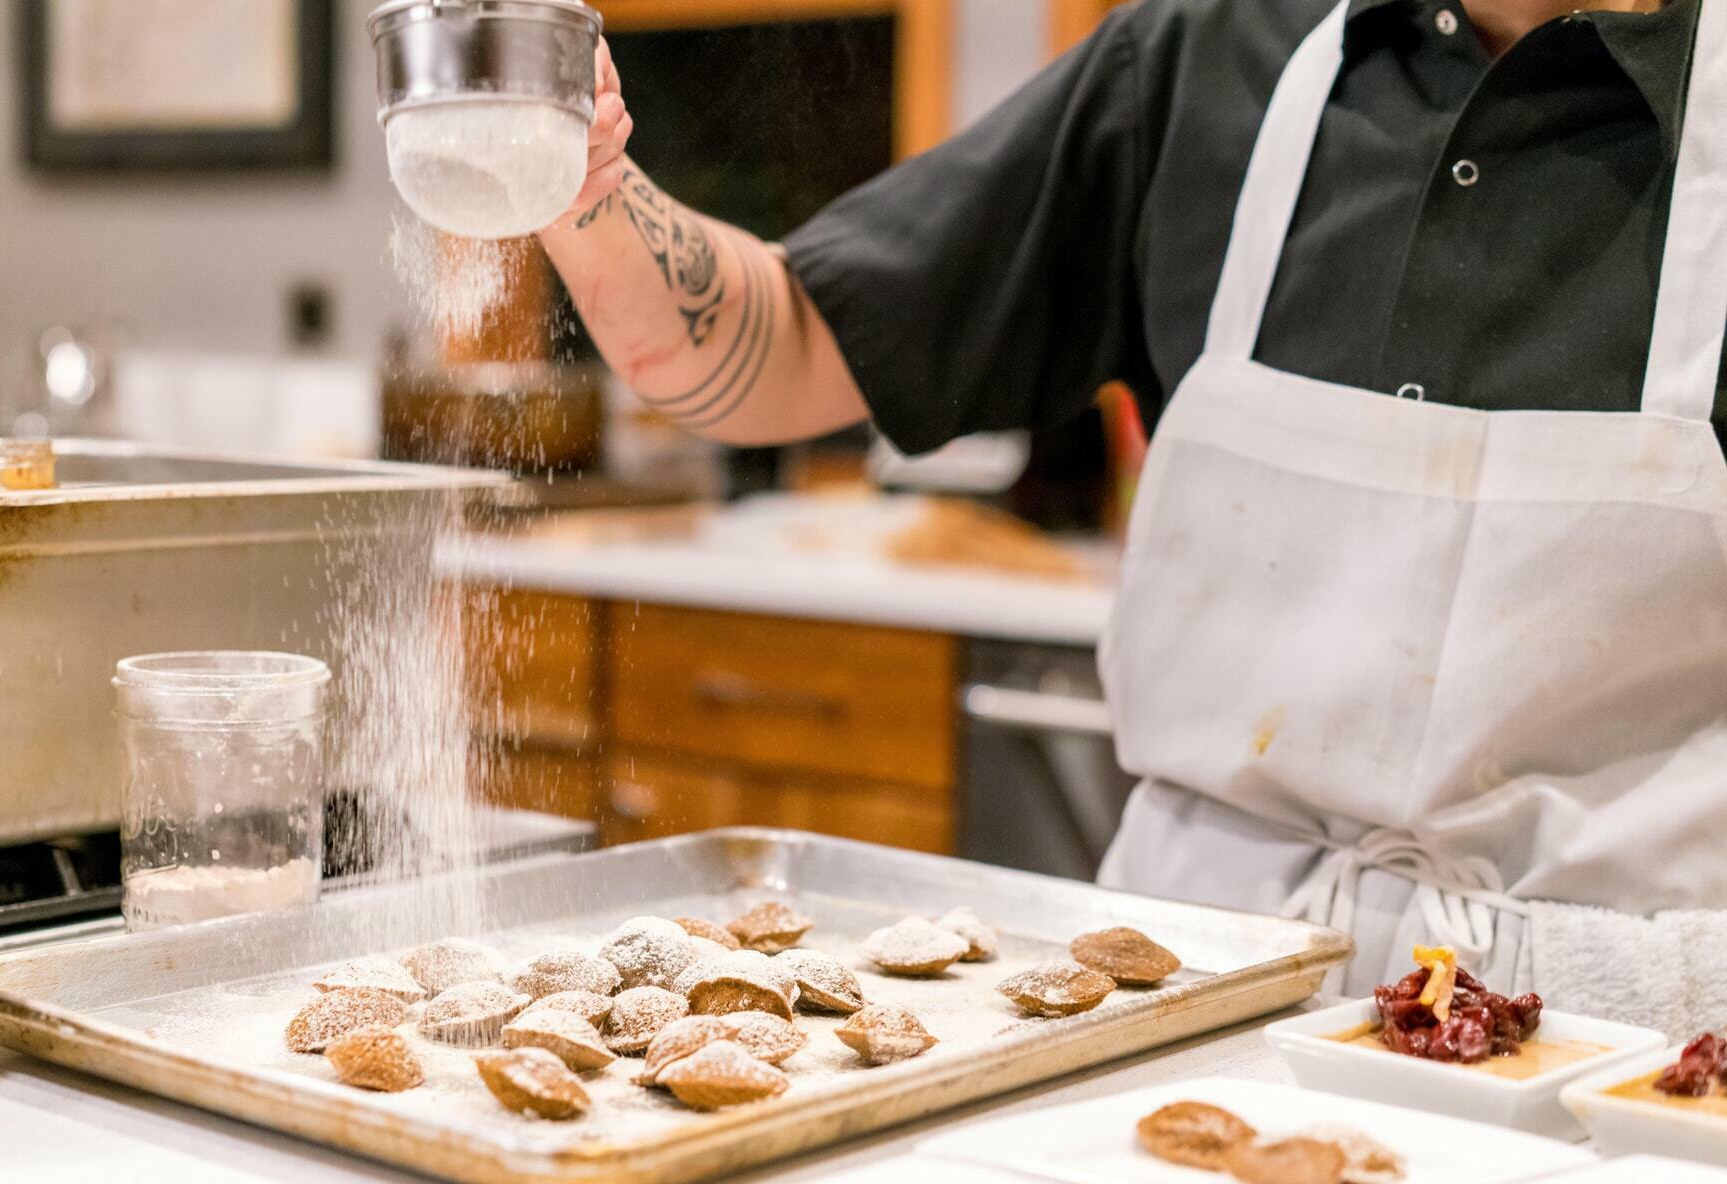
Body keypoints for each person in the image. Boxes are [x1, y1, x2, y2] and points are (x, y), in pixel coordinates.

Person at [536, 0, 1727, 1029]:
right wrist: (579, 179)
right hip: (1195, 997)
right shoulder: (1206, 58)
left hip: (1614, 1056)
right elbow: (777, 342)